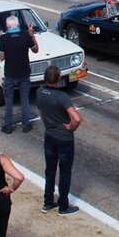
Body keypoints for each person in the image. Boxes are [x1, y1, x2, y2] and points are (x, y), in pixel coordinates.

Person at [34, 65, 82, 215]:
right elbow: (76, 118)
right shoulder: (62, 97)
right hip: (64, 138)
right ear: (59, 79)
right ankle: (63, 206)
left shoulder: (40, 92)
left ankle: (48, 202)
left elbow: (41, 111)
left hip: (50, 135)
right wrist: (71, 127)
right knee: (65, 172)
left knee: (50, 170)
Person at [0, 15, 39, 134]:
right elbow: (35, 49)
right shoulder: (25, 35)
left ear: (7, 26)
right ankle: (26, 124)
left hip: (10, 73)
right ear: (18, 25)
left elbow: (2, 56)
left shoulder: (4, 38)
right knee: (24, 98)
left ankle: (9, 125)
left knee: (9, 99)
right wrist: (32, 35)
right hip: (24, 72)